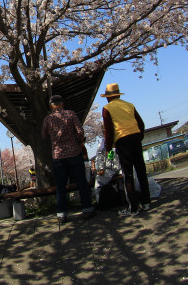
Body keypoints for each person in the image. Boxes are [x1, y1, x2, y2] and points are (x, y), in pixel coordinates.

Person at [41, 94, 95, 222]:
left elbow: (43, 136)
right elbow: (80, 131)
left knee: (60, 185)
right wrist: (77, 141)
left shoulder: (48, 119)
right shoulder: (71, 114)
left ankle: (61, 214)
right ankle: (87, 209)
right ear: (63, 104)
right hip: (74, 153)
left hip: (58, 155)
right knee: (81, 181)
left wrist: (54, 138)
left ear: (50, 106)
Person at [101, 83, 151, 216]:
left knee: (127, 175)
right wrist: (139, 136)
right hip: (135, 137)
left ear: (108, 97)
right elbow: (141, 124)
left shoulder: (107, 108)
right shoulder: (129, 105)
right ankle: (146, 202)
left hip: (122, 141)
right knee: (141, 171)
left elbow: (109, 131)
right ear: (118, 94)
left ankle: (133, 207)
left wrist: (108, 149)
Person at [93, 135, 122, 208]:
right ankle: (99, 201)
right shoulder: (102, 145)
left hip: (121, 167)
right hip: (109, 170)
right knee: (99, 179)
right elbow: (99, 158)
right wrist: (101, 168)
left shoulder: (119, 138)